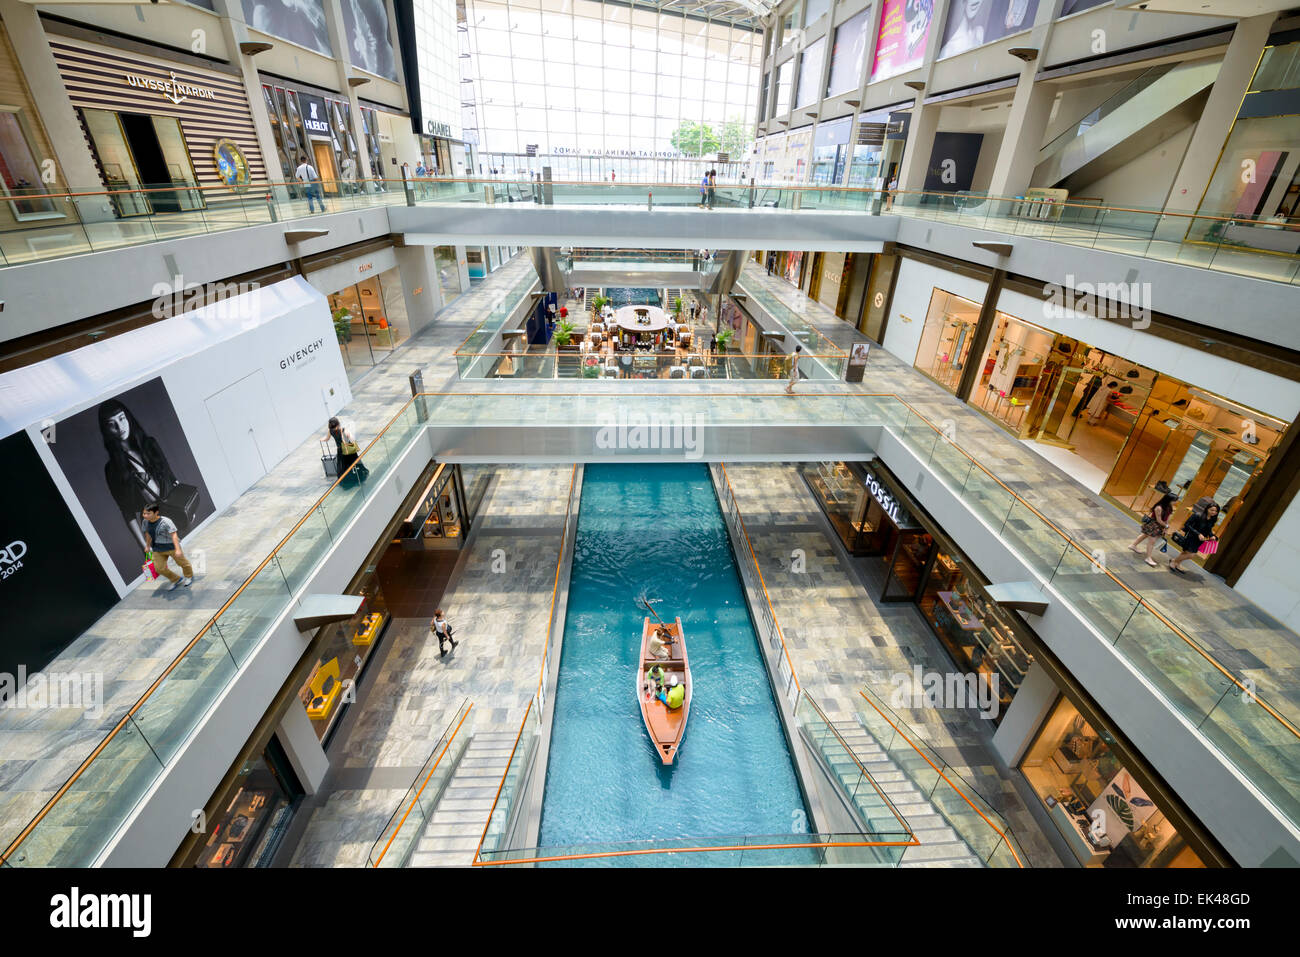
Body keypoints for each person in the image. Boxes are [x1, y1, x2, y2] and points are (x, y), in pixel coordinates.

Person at [99, 398, 192, 554]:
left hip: (178, 517)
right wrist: (145, 548)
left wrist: (188, 509)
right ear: (106, 430)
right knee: (180, 569)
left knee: (199, 561)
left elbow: (173, 479)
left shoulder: (150, 444)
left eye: (121, 418)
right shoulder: (112, 469)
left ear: (128, 418)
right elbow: (127, 513)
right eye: (111, 424)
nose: (119, 426)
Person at [141, 503, 193, 590]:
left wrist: (177, 549)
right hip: (157, 549)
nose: (145, 516)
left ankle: (189, 576)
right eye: (144, 513)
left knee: (182, 563)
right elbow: (148, 534)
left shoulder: (166, 521)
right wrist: (147, 546)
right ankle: (176, 579)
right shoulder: (145, 522)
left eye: (148, 513)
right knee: (159, 568)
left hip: (171, 546)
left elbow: (174, 535)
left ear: (156, 512)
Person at [1169, 502, 1220, 574]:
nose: (1214, 512)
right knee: (1191, 555)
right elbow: (1187, 525)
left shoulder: (1212, 519)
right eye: (1212, 510)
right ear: (1207, 509)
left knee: (1186, 552)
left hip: (1199, 540)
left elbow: (1208, 530)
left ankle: (1177, 563)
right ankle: (1174, 561)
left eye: (1216, 511)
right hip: (1191, 537)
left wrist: (1212, 535)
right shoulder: (1197, 515)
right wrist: (1198, 534)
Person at [1130, 492, 1176, 567]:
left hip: (1160, 526)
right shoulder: (1159, 507)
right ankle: (1148, 558)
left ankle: (1133, 545)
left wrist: (1166, 527)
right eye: (1174, 500)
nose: (1175, 502)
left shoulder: (1169, 507)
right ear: (1169, 500)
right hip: (1153, 525)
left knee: (1145, 535)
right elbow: (1158, 520)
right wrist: (1166, 526)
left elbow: (1167, 518)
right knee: (1152, 542)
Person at [328, 417, 368, 486]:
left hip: (340, 451)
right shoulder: (342, 430)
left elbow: (326, 438)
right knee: (354, 463)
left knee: (344, 466)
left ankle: (346, 480)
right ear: (338, 423)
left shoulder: (331, 431)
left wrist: (321, 440)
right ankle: (358, 478)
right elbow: (350, 437)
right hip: (347, 450)